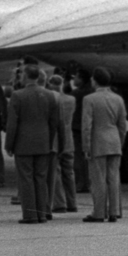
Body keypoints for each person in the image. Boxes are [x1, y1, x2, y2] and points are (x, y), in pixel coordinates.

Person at [5, 65, 60, 223]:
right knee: (41, 179)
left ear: (26, 76)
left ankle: (30, 215)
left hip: (23, 143)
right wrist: (48, 142)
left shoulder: (18, 95)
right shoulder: (50, 95)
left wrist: (9, 144)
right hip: (43, 142)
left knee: (26, 179)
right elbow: (54, 122)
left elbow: (12, 123)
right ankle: (42, 213)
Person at [81, 67, 127, 222]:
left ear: (95, 80)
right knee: (113, 177)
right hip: (114, 141)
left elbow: (87, 126)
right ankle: (114, 211)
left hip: (98, 142)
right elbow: (122, 125)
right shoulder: (118, 99)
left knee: (98, 179)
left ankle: (99, 212)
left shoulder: (89, 99)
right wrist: (120, 142)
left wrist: (86, 146)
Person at [48, 75, 78, 215]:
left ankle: (60, 203)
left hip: (55, 139)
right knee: (69, 172)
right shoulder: (71, 100)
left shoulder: (52, 99)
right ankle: (72, 202)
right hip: (68, 138)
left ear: (50, 84)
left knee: (56, 172)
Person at [71, 67, 94, 193]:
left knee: (78, 157)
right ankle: (87, 182)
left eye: (76, 77)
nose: (74, 79)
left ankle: (81, 183)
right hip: (89, 127)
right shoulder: (91, 91)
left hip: (77, 128)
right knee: (88, 158)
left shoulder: (77, 93)